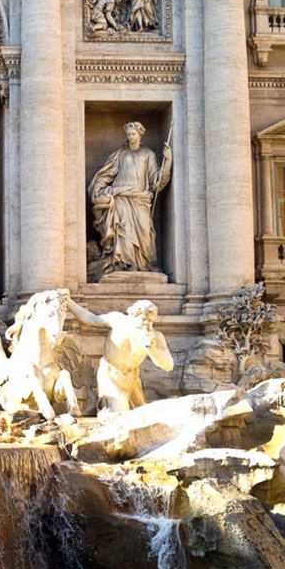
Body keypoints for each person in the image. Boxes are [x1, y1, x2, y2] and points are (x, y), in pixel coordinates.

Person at [66, 299, 173, 417]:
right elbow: (90, 319)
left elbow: (168, 365)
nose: (147, 323)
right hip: (110, 376)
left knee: (143, 417)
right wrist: (68, 302)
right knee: (120, 414)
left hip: (132, 380)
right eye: (143, 319)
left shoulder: (155, 337)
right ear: (133, 315)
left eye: (151, 321)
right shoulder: (118, 321)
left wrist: (152, 350)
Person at [89, 121, 171, 274]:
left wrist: (168, 161)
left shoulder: (148, 154)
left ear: (140, 134)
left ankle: (143, 264)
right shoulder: (120, 154)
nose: (130, 137)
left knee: (145, 232)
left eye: (133, 134)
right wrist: (98, 187)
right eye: (128, 134)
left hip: (140, 199)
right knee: (123, 231)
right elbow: (108, 174)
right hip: (121, 197)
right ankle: (124, 264)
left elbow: (156, 181)